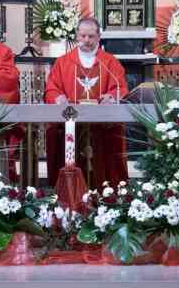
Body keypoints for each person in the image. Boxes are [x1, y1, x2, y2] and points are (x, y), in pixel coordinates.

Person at [44, 17, 129, 188]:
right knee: (55, 133)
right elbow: (52, 89)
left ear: (98, 37)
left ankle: (109, 192)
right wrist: (58, 98)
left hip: (102, 124)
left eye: (91, 36)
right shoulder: (63, 62)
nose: (86, 40)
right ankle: (67, 191)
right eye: (82, 36)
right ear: (77, 35)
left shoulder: (109, 62)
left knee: (113, 134)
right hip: (71, 121)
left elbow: (120, 87)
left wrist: (111, 97)